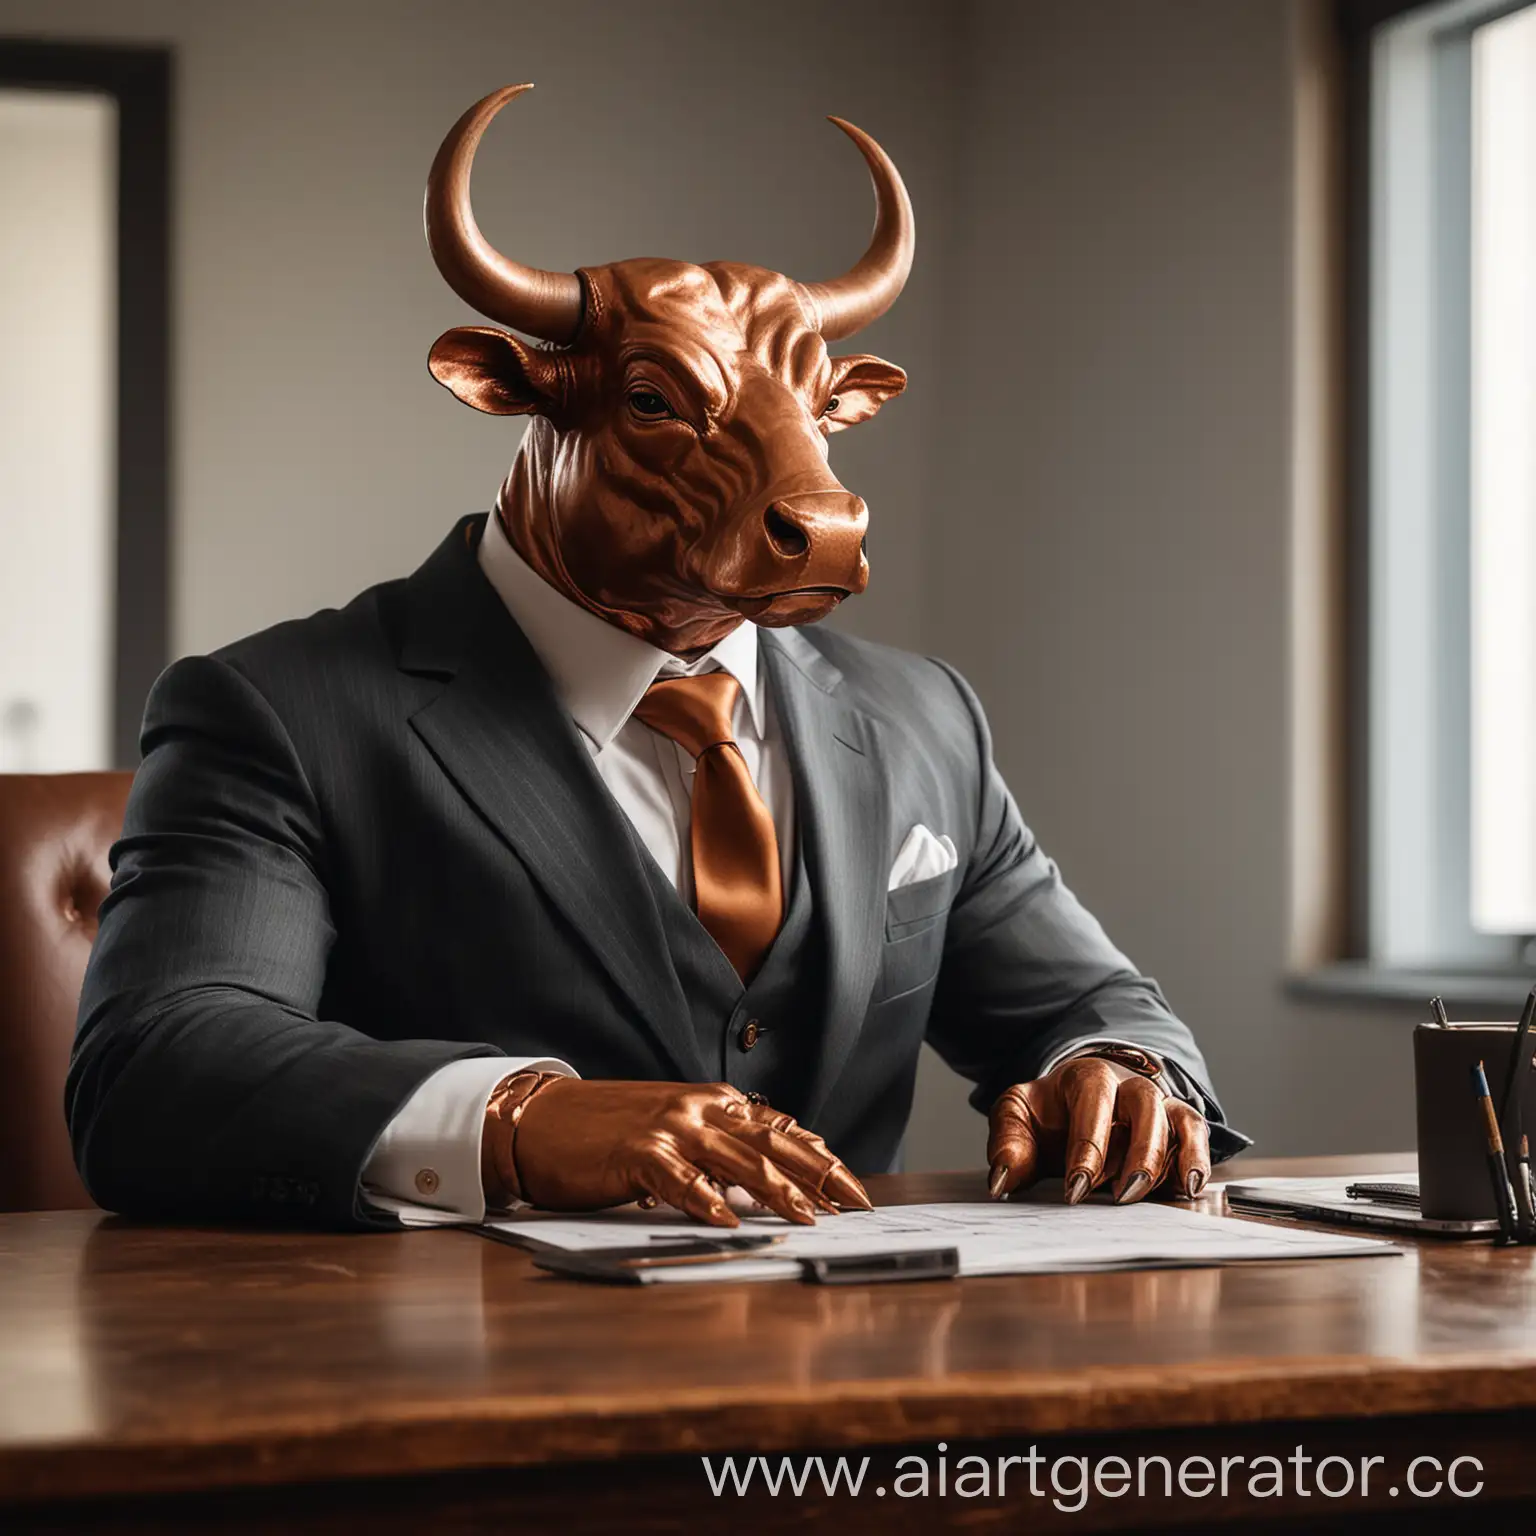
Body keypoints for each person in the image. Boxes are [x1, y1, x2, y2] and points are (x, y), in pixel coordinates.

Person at [68, 86, 1246, 1231]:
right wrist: (518, 1121)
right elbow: (160, 1064)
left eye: (816, 417)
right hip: (466, 1380)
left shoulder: (921, 715)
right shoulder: (279, 710)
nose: (817, 491)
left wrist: (1121, 1069)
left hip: (862, 1382)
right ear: (524, 397)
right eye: (659, 403)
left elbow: (1090, 1003)